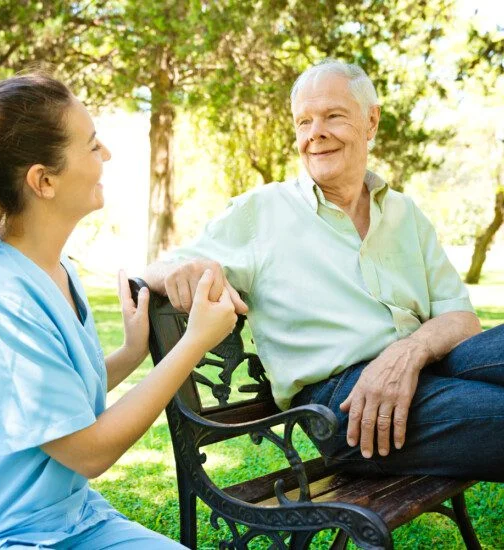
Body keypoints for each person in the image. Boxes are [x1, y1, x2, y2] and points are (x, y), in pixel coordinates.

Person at [0, 73, 237, 549]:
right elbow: (88, 451)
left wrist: (131, 352)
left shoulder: (53, 269)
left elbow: (53, 404)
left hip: (65, 520)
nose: (106, 155)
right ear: (43, 180)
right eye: (92, 146)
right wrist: (194, 343)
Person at [144, 60, 504, 481]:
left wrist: (408, 352)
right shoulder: (261, 212)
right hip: (348, 405)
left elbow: (460, 318)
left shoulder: (406, 213)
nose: (315, 133)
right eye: (304, 122)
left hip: (428, 363)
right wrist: (189, 267)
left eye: (333, 116)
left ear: (371, 122)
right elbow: (158, 269)